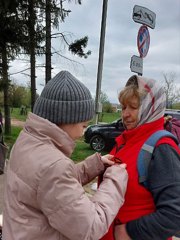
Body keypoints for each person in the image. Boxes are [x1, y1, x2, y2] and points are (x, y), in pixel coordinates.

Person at [2, 70, 128, 240]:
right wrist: (115, 180)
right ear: (66, 118)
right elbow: (90, 227)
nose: (83, 133)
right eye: (83, 126)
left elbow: (46, 184)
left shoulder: (27, 141)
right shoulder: (54, 166)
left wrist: (94, 165)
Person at [101, 75, 180, 240]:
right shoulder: (126, 140)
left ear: (150, 108)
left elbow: (174, 214)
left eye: (133, 107)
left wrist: (129, 232)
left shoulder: (161, 147)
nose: (125, 114)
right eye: (123, 107)